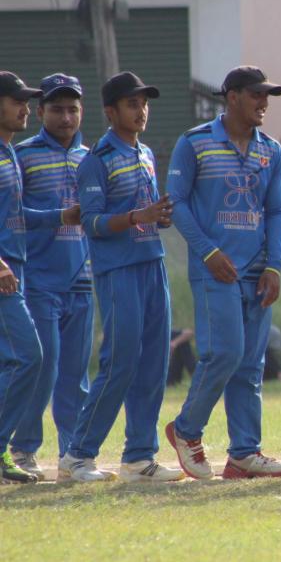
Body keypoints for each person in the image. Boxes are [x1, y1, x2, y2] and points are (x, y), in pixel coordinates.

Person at [164, 66, 281, 480]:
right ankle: (185, 430)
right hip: (215, 271)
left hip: (257, 271)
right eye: (256, 95)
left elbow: (276, 210)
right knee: (226, 352)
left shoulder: (271, 149)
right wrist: (209, 253)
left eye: (268, 96)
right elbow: (178, 204)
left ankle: (243, 454)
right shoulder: (195, 142)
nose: (264, 103)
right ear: (232, 96)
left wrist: (274, 265)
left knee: (250, 363)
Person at [61, 71, 182, 482]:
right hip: (118, 272)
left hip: (152, 263)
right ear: (111, 112)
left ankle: (139, 458)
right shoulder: (97, 160)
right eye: (133, 104)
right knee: (120, 362)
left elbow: (145, 213)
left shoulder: (145, 153)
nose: (142, 110)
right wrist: (136, 217)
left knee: (153, 362)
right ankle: (77, 455)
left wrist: (157, 217)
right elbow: (91, 222)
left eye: (144, 103)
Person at [8, 74, 94, 480]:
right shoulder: (20, 154)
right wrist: (60, 216)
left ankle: (73, 455)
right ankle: (23, 450)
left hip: (83, 277)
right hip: (37, 279)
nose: (65, 117)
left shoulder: (91, 158)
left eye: (72, 109)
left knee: (77, 376)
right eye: (56, 109)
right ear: (40, 111)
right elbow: (13, 217)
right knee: (43, 367)